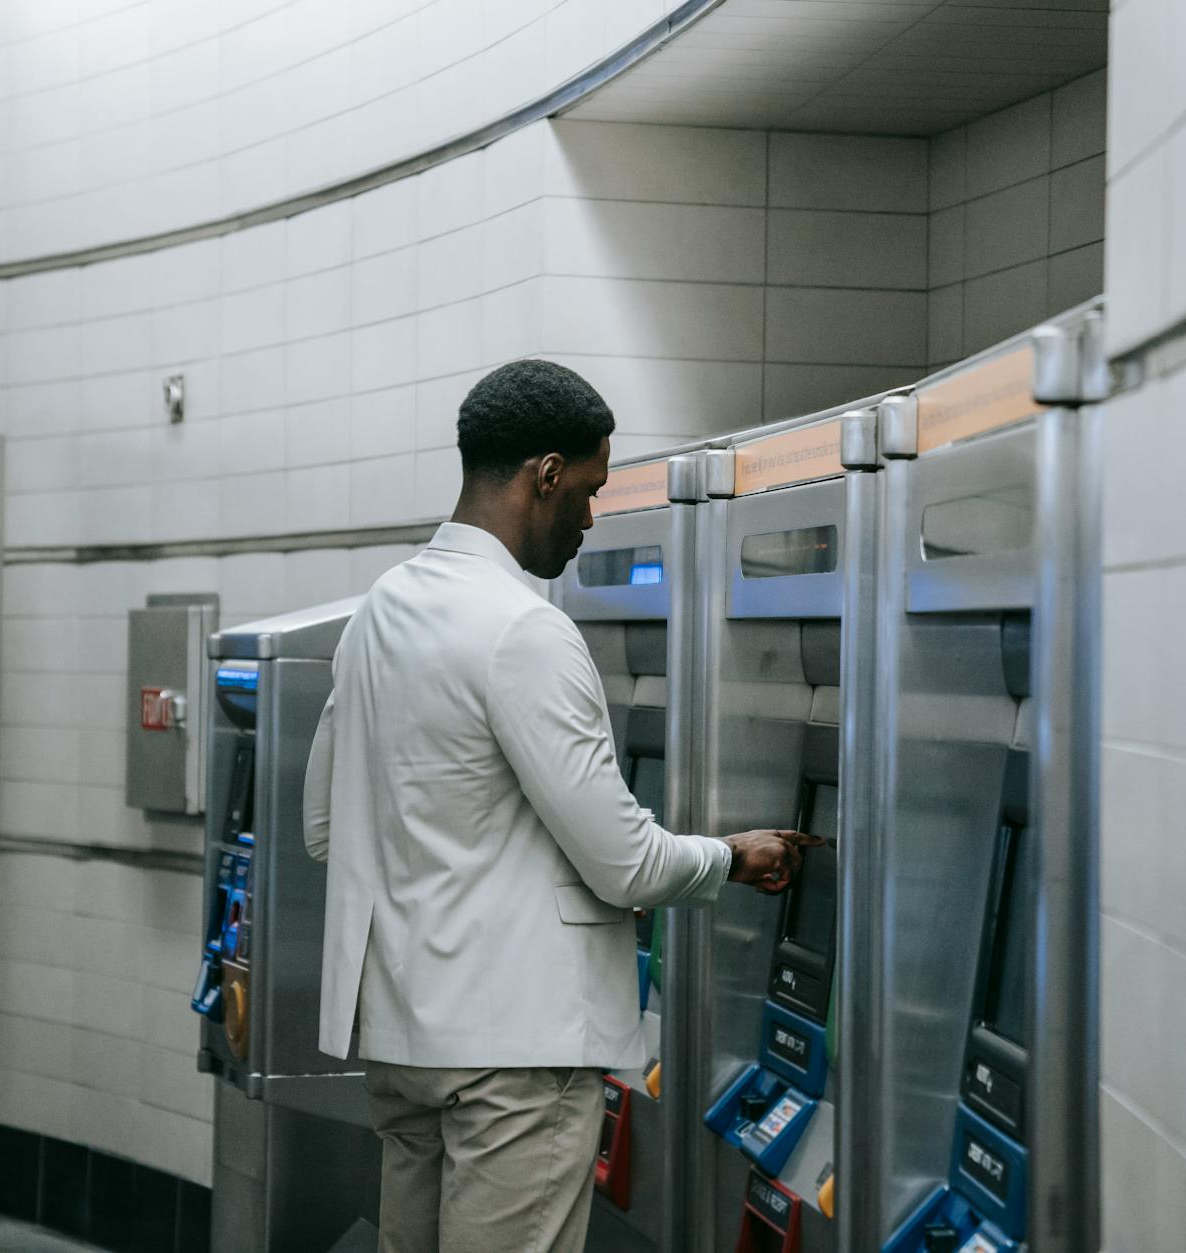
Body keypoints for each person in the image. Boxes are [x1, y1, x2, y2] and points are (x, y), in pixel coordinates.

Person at [306, 358, 814, 1253]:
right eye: (587, 490)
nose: (589, 517)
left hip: (402, 1041)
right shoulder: (525, 630)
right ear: (545, 474)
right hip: (515, 1061)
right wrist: (732, 857)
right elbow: (623, 862)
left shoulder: (379, 614)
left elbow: (323, 827)